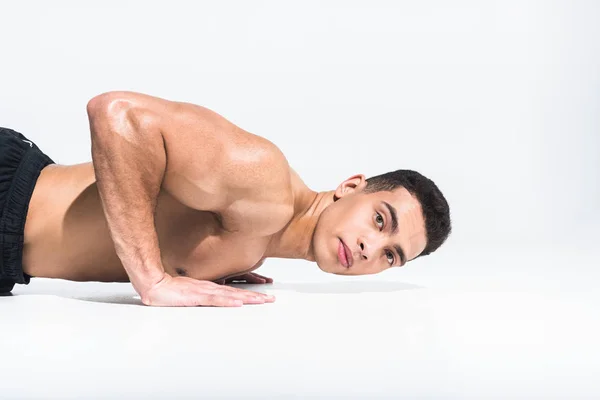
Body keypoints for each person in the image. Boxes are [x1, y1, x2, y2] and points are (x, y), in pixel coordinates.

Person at [0, 91, 452, 307]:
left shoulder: (255, 243)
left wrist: (213, 264)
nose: (370, 249)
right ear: (351, 186)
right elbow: (117, 114)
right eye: (379, 221)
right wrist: (151, 278)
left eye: (391, 256)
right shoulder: (267, 187)